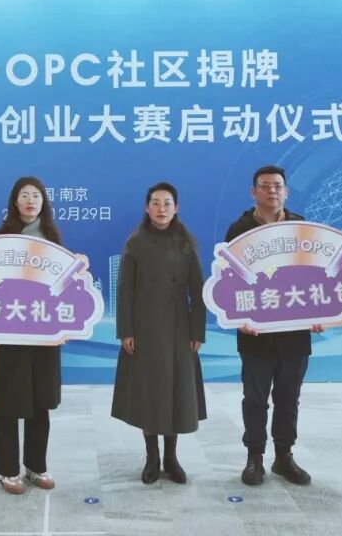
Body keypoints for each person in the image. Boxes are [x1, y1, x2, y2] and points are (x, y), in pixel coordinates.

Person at [227, 165, 319, 487]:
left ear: (286, 192)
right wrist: (238, 318)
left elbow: (315, 276)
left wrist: (321, 312)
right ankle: (254, 457)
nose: (272, 191)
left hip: (294, 335)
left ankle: (284, 456)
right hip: (256, 335)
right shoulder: (239, 230)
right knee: (255, 399)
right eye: (265, 186)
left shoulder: (301, 228)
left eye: (277, 186)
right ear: (253, 192)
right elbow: (230, 280)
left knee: (288, 398)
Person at [111, 182, 206, 484]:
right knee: (150, 393)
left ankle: (172, 458)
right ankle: (152, 458)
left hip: (179, 328)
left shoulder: (186, 243)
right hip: (145, 328)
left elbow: (197, 289)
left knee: (176, 393)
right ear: (146, 207)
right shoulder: (135, 242)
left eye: (167, 203)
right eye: (155, 202)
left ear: (176, 208)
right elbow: (124, 290)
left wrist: (197, 330)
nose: (161, 208)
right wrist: (126, 330)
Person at [0, 177, 63, 495]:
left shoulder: (53, 241)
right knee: (8, 403)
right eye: (24, 195)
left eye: (36, 195)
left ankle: (36, 466)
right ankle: (8, 470)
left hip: (43, 337)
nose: (31, 200)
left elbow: (64, 290)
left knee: (40, 402)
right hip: (8, 336)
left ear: (44, 202)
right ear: (14, 201)